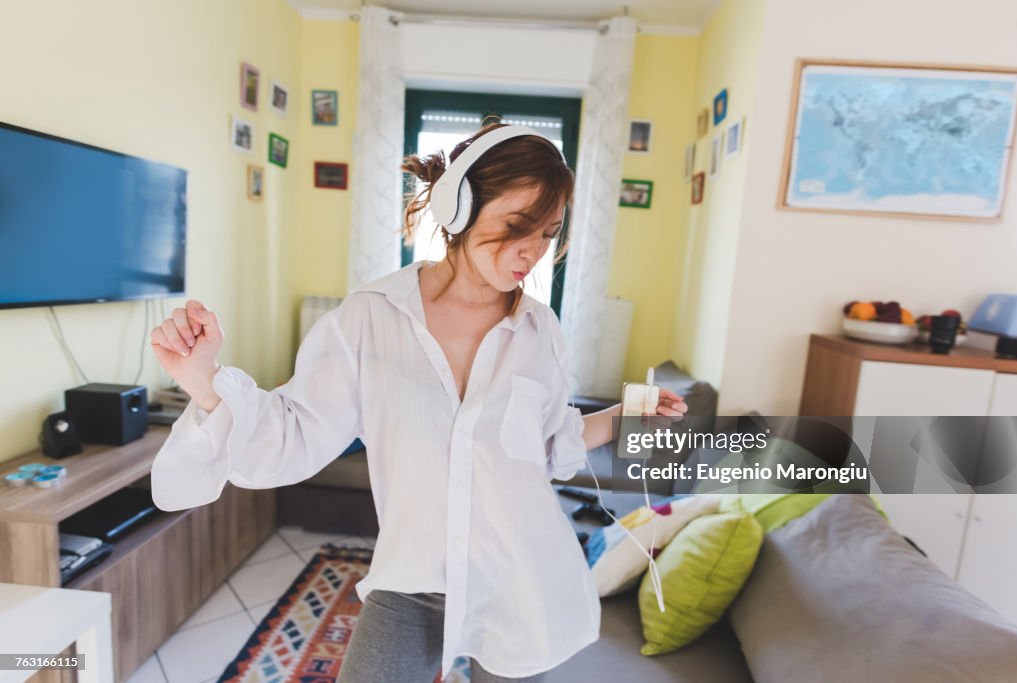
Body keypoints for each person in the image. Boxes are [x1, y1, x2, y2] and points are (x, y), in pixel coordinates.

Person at [148, 122, 687, 682]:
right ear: (459, 207)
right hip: (412, 582)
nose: (533, 251)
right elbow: (295, 432)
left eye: (549, 233)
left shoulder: (539, 330)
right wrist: (203, 378)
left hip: (519, 579)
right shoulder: (371, 316)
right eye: (517, 227)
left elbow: (550, 445)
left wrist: (626, 415)